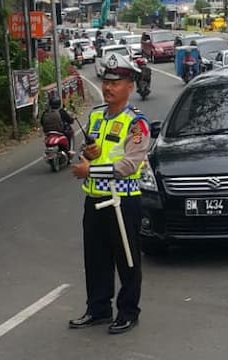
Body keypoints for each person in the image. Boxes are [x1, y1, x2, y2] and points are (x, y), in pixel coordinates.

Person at [69, 53, 150, 335]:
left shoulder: (136, 123)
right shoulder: (94, 116)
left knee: (127, 259)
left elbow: (129, 165)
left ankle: (128, 312)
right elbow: (91, 151)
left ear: (130, 85)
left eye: (116, 82)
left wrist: (89, 171)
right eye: (106, 81)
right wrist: (89, 154)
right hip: (94, 201)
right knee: (95, 259)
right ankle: (98, 309)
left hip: (122, 202)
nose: (108, 87)